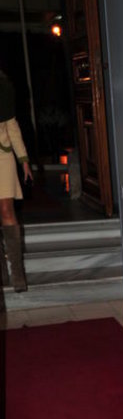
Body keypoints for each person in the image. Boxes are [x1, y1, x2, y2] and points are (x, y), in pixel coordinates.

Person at [0, 70, 33, 292]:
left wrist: (24, 160)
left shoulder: (3, 88)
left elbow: (12, 128)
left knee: (6, 209)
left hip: (3, 157)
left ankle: (17, 274)